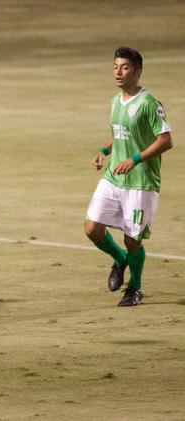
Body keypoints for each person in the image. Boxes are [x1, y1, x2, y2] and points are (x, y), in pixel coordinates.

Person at [85, 47, 173, 307]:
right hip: (114, 176)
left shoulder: (150, 104)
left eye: (124, 67)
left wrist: (135, 159)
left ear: (137, 70)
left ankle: (134, 288)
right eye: (115, 67)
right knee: (91, 228)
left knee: (133, 239)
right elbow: (120, 132)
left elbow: (166, 140)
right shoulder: (115, 101)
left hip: (141, 181)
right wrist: (104, 151)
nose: (118, 72)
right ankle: (119, 259)